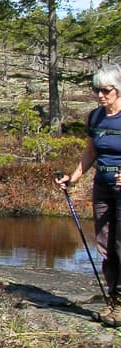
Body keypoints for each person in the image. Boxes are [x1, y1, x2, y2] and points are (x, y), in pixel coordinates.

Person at [57, 63, 121, 328]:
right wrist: (73, 178)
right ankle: (114, 301)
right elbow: (91, 152)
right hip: (103, 188)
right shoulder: (95, 118)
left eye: (106, 91)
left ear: (118, 90)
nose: (100, 96)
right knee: (106, 245)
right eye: (97, 90)